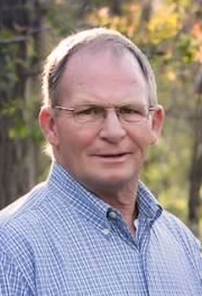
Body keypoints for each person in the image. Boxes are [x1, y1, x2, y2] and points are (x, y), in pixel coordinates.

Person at [0, 28, 201, 296]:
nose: (113, 132)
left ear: (154, 124)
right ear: (51, 126)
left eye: (128, 111)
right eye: (89, 112)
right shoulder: (11, 252)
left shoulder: (184, 246)